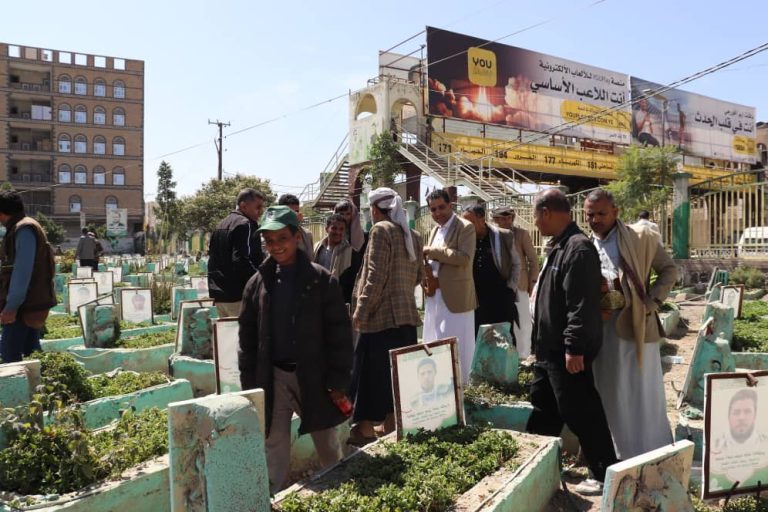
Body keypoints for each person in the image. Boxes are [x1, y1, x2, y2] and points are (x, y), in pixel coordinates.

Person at [238, 205, 353, 494]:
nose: (276, 247)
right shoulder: (257, 284)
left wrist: (337, 381)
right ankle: (274, 496)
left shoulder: (322, 280)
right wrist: (250, 387)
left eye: (282, 239)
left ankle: (339, 494)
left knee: (326, 441)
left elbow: (340, 335)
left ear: (297, 238)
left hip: (314, 376)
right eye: (270, 241)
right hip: (274, 378)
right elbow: (247, 340)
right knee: (274, 442)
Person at [526, 189, 617, 496]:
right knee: (543, 410)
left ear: (547, 213)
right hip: (547, 350)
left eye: (535, 216)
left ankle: (604, 472)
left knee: (581, 411)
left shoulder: (577, 249)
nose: (535, 222)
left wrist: (574, 347)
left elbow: (581, 305)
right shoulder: (560, 246)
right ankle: (535, 465)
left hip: (565, 351)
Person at [584, 189, 677, 461]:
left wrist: (650, 303)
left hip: (637, 326)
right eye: (590, 214)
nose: (595, 220)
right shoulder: (584, 243)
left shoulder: (641, 238)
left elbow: (669, 270)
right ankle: (615, 453)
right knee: (608, 391)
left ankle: (650, 452)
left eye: (601, 213)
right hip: (601, 328)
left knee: (639, 390)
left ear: (615, 212)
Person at [351, 187, 423, 444]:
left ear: (374, 209)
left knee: (369, 376)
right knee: (395, 378)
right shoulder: (413, 235)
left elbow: (375, 276)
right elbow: (417, 277)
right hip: (406, 319)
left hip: (379, 319)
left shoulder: (381, 230)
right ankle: (392, 427)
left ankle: (366, 431)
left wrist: (361, 311)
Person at [422, 189, 476, 385]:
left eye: (441, 208)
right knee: (434, 342)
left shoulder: (465, 227)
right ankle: (441, 389)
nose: (438, 213)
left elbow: (464, 258)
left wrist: (432, 251)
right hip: (434, 295)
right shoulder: (435, 229)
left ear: (450, 205)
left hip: (457, 298)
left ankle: (462, 389)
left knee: (458, 346)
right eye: (433, 209)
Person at [0, 190, 56, 363]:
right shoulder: (19, 228)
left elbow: (22, 271)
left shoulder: (23, 229)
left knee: (10, 353)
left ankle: (25, 389)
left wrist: (12, 306)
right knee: (31, 352)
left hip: (25, 306)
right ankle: (45, 386)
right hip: (30, 303)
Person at [462, 203, 521, 338]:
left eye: (469, 222)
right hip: (475, 300)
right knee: (479, 339)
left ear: (482, 219)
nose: (465, 225)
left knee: (503, 339)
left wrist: (511, 288)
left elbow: (516, 264)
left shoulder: (503, 236)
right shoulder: (466, 239)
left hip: (500, 298)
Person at [208, 188, 266, 318]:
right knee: (245, 337)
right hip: (238, 296)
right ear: (243, 206)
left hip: (218, 296)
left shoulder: (220, 225)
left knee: (227, 338)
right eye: (258, 207)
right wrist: (261, 282)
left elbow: (212, 259)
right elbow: (242, 260)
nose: (261, 211)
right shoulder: (246, 224)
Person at [492, 205, 539, 358]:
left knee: (524, 320)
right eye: (501, 218)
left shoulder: (521, 234)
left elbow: (533, 259)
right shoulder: (492, 235)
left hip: (520, 284)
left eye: (508, 218)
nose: (505, 221)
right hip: (500, 285)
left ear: (512, 218)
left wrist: (533, 282)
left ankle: (524, 354)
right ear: (495, 220)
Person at [710, 388, 768, 490]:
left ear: (755, 415)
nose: (741, 417)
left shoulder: (765, 443)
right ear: (728, 416)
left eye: (747, 411)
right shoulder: (715, 446)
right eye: (736, 412)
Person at [312, 214, 355, 304]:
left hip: (339, 300)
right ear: (327, 228)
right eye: (334, 228)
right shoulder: (317, 248)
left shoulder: (351, 252)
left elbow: (353, 282)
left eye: (341, 229)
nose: (338, 232)